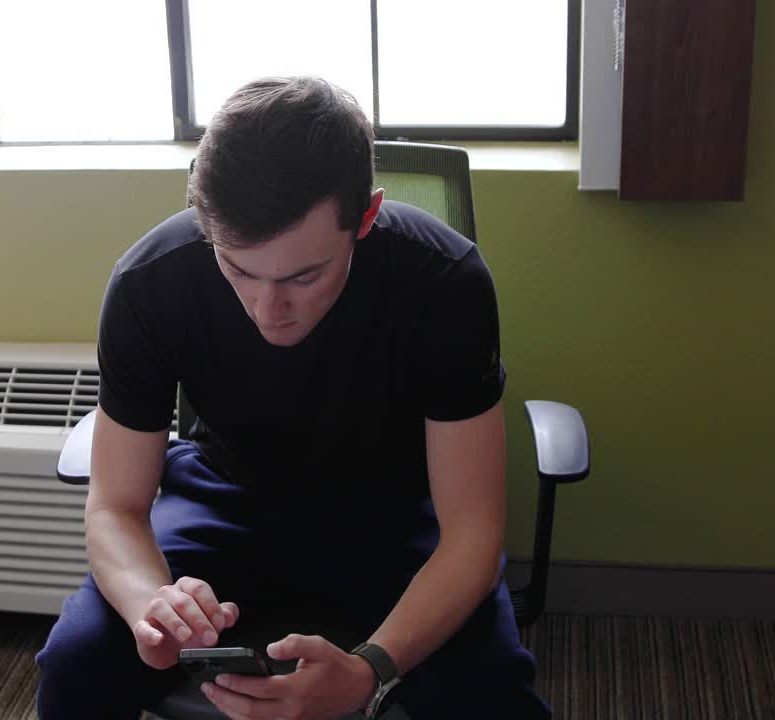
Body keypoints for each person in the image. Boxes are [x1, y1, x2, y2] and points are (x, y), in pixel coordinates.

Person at [35, 76, 550, 720]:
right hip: (224, 499)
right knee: (78, 663)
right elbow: (114, 505)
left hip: (394, 515)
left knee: (490, 693)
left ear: (366, 218)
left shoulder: (443, 281)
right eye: (238, 269)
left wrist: (373, 669)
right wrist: (150, 603)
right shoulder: (150, 282)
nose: (268, 310)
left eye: (304, 276)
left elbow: (472, 531)